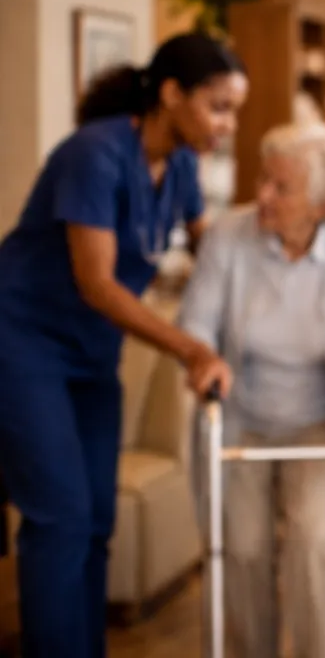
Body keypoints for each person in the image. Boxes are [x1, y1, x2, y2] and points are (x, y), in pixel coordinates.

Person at [0, 32, 248, 658]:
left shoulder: (182, 165)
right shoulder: (96, 153)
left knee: (97, 522)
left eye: (235, 111)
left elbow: (210, 251)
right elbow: (97, 284)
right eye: (218, 106)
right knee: (60, 518)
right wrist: (191, 349)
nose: (228, 124)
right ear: (172, 94)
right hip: (23, 343)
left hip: (90, 356)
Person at [179, 119, 325, 658]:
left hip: (319, 423)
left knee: (313, 542)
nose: (262, 195)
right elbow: (195, 322)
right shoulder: (228, 237)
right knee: (242, 549)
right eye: (263, 180)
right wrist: (204, 360)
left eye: (280, 187)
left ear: (321, 203)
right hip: (241, 415)